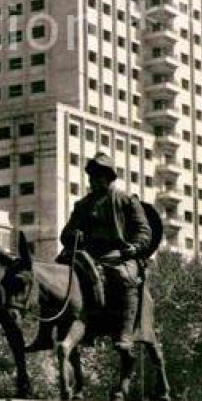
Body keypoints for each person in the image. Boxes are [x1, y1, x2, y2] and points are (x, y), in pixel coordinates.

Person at [58, 152, 152, 356]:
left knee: (125, 277)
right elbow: (65, 234)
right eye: (91, 176)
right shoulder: (82, 205)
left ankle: (126, 334)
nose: (92, 181)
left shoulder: (126, 200)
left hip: (119, 255)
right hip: (88, 256)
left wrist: (134, 248)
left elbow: (144, 231)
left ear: (108, 177)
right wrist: (74, 235)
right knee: (59, 277)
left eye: (97, 176)